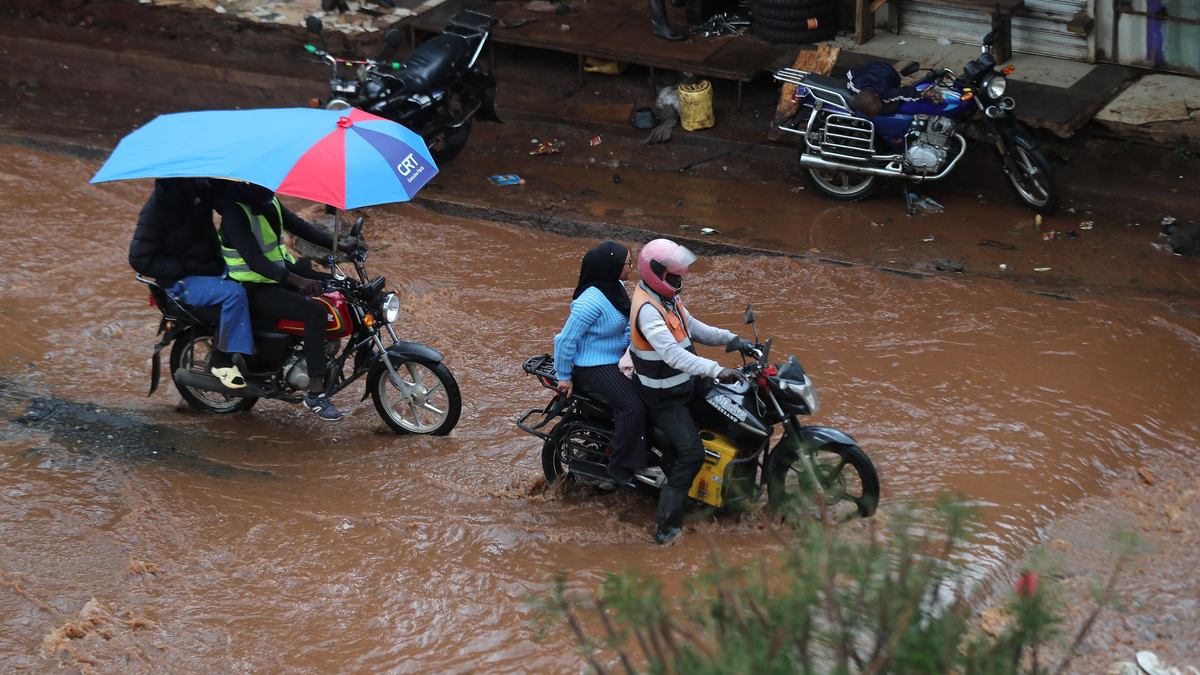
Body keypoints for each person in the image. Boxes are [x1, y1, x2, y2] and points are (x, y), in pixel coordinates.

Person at [629, 238, 748, 545]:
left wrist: (733, 340)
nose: (679, 278)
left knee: (732, 412)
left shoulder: (666, 299)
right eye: (673, 274)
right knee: (692, 453)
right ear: (657, 273)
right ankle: (667, 529)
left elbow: (693, 326)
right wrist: (715, 369)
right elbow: (672, 355)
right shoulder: (648, 310)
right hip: (663, 397)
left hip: (684, 383)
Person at [214, 181, 362, 421]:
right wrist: (299, 281)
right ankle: (315, 394)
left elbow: (301, 228)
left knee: (346, 285)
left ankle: (361, 352)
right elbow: (254, 260)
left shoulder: (268, 200)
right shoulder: (235, 210)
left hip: (280, 275)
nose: (274, 185)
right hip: (252, 286)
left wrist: (340, 245)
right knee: (315, 312)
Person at [129, 178, 252, 389]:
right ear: (172, 180)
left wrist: (233, 187)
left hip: (212, 267)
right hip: (181, 281)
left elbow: (222, 201)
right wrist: (184, 266)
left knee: (254, 281)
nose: (193, 178)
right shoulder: (154, 212)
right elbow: (139, 259)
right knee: (235, 294)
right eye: (187, 177)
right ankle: (221, 359)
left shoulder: (197, 188)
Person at [553, 242, 646, 489]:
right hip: (592, 367)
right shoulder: (590, 302)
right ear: (611, 267)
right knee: (632, 406)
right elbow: (564, 341)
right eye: (628, 263)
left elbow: (626, 323)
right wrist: (564, 375)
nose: (631, 268)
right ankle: (620, 464)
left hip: (615, 358)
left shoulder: (615, 287)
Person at [846, 61, 942, 118]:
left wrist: (923, 94)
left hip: (889, 72)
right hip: (872, 67)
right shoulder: (855, 85)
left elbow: (902, 92)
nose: (880, 110)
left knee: (896, 85)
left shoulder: (884, 93)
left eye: (879, 109)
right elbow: (851, 72)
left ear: (877, 95)